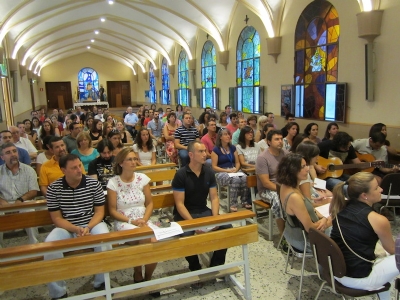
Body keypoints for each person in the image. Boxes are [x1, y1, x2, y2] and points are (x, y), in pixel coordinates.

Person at [44, 154, 110, 299]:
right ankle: (58, 292)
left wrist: (87, 227)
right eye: (74, 168)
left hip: (92, 223)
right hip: (67, 227)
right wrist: (75, 229)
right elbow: (57, 218)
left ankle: (101, 282)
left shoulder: (94, 184)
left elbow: (99, 212)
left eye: (79, 166)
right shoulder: (54, 188)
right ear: (63, 170)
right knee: (48, 247)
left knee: (105, 240)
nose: (79, 170)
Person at [330, 172, 399, 300]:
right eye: (377, 188)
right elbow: (393, 251)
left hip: (338, 272)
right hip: (358, 279)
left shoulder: (340, 208)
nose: (381, 189)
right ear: (364, 196)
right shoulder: (378, 220)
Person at [172, 141, 232, 280]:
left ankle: (216, 266)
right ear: (191, 155)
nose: (205, 154)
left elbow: (214, 198)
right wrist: (194, 224)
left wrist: (215, 218)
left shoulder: (209, 172)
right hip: (184, 214)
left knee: (227, 228)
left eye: (205, 151)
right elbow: (180, 204)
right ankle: (195, 267)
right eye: (201, 152)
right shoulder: (181, 174)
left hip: (203, 211)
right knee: (186, 236)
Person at [107, 148, 158, 286]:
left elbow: (150, 203)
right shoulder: (113, 182)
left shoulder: (142, 178)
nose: (134, 162)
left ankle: (146, 277)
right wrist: (132, 221)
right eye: (130, 159)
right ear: (121, 163)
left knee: (153, 241)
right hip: (124, 221)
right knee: (145, 236)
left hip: (143, 219)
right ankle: (139, 273)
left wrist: (144, 220)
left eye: (135, 159)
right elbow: (112, 211)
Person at [277, 153, 330, 252]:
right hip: (304, 240)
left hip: (293, 233)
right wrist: (326, 221)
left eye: (306, 165)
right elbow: (311, 229)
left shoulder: (286, 185)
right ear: (292, 170)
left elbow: (305, 208)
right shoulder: (294, 196)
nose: (307, 169)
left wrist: (322, 217)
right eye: (303, 167)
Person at [0, 142, 39, 246]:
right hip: (4, 203)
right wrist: (3, 202)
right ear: (2, 157)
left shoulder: (29, 170)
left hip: (23, 202)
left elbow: (33, 191)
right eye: (8, 152)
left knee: (28, 209)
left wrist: (20, 200)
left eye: (14, 151)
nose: (12, 154)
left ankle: (34, 244)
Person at [256, 130, 289, 234]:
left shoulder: (286, 154)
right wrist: (283, 190)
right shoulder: (262, 158)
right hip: (267, 190)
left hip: (285, 186)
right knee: (278, 200)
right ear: (269, 142)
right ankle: (283, 235)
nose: (280, 141)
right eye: (276, 139)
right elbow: (266, 183)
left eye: (281, 139)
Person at [211, 129, 248, 212]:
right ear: (220, 137)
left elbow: (237, 162)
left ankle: (244, 200)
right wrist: (227, 171)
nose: (228, 136)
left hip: (233, 170)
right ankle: (233, 203)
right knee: (236, 179)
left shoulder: (232, 148)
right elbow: (214, 167)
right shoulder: (216, 150)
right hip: (221, 171)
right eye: (225, 134)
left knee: (245, 177)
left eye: (228, 134)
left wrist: (236, 169)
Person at [295, 141, 333, 206]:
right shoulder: (302, 173)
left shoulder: (305, 166)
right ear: (309, 156)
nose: (317, 159)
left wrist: (317, 186)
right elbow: (308, 203)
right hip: (309, 201)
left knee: (330, 194)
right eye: (316, 157)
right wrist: (324, 202)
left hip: (311, 190)